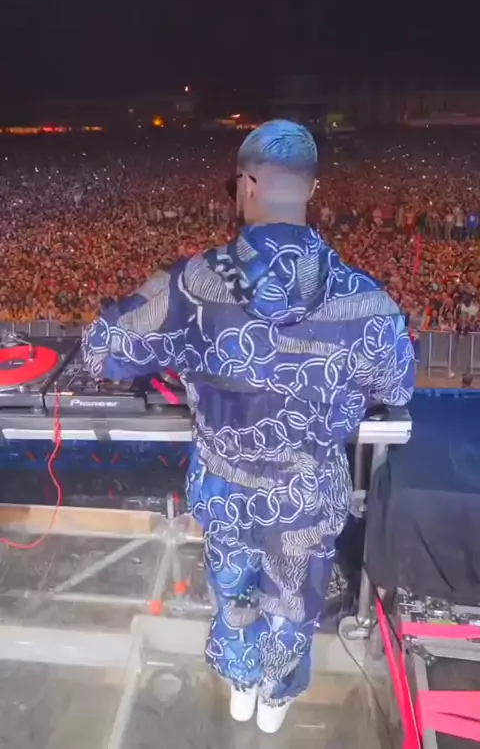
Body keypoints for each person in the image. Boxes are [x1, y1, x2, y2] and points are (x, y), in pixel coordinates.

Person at [82, 120, 415, 734]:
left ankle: (240, 680)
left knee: (233, 593)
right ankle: (275, 699)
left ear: (247, 185)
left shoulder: (192, 284)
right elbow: (397, 387)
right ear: (311, 189)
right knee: (295, 600)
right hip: (307, 491)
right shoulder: (367, 299)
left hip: (225, 487)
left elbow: (102, 350)